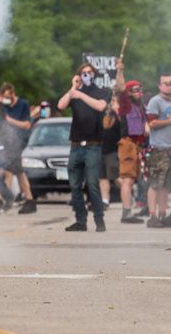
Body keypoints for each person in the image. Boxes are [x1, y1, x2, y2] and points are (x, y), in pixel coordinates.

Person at [59, 61, 108, 232]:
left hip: (93, 145)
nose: (87, 75)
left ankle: (99, 220)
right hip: (76, 145)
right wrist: (73, 88)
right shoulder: (75, 93)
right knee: (74, 185)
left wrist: (81, 96)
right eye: (84, 73)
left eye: (90, 72)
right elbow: (61, 105)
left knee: (93, 183)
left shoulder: (100, 92)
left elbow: (101, 106)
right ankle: (80, 220)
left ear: (95, 75)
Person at [145, 72, 171, 228]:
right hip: (158, 149)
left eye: (170, 83)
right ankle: (152, 216)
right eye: (165, 83)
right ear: (160, 86)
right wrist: (169, 121)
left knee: (167, 185)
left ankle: (162, 215)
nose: (168, 85)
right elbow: (151, 123)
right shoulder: (155, 101)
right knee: (155, 184)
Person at [114, 60, 147, 224]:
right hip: (128, 144)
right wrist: (120, 72)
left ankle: (127, 210)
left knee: (131, 179)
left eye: (139, 89)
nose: (138, 92)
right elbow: (121, 88)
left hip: (136, 146)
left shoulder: (140, 107)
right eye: (134, 90)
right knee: (127, 179)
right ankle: (126, 213)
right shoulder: (126, 105)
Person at [0, 83, 36, 214]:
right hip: (8, 141)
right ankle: (29, 201)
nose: (6, 100)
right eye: (3, 97)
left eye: (7, 97)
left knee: (12, 169)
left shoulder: (23, 104)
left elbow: (26, 125)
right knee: (15, 170)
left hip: (20, 140)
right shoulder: (3, 105)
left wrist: (10, 120)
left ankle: (8, 200)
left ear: (13, 94)